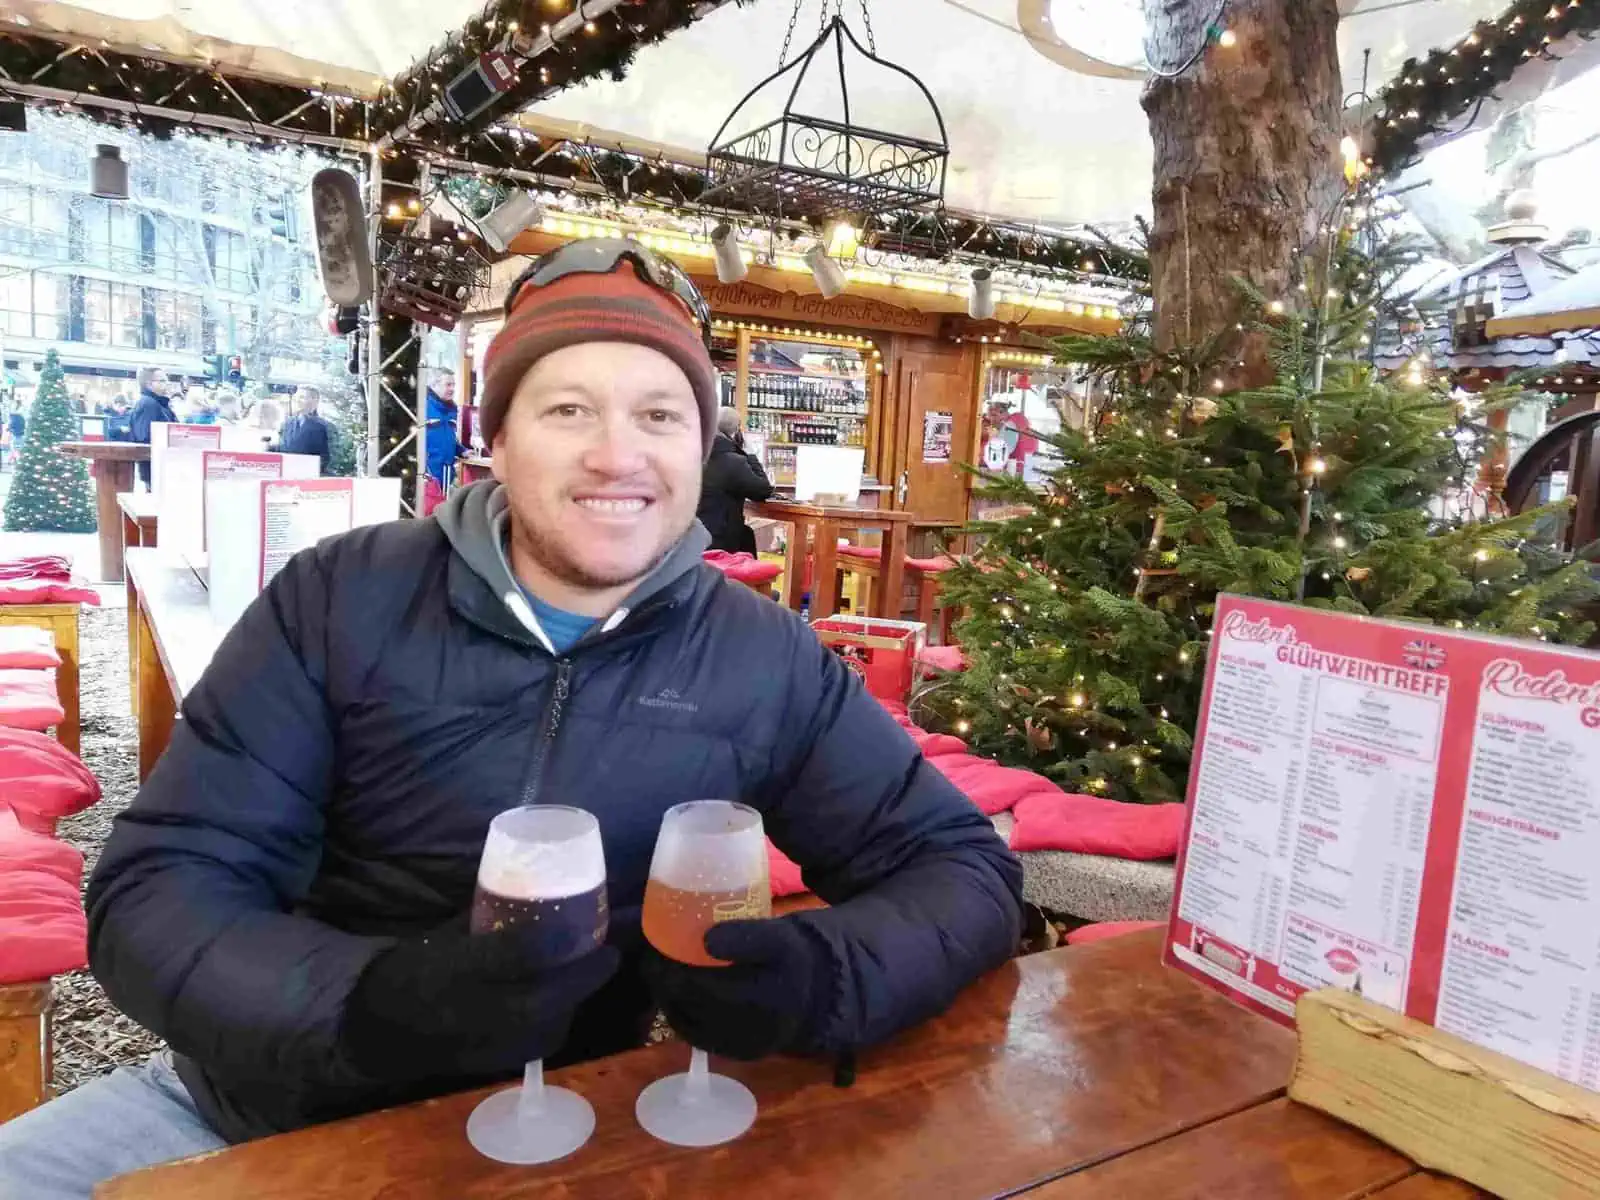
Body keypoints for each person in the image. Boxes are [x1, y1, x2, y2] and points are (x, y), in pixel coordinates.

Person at [0, 239, 1023, 1197]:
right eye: (568, 410)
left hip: (576, 1130)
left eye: (660, 416)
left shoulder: (761, 653)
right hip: (264, 1110)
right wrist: (372, 1004)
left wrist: (828, 975)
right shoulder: (339, 599)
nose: (617, 456)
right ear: (494, 438)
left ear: (701, 447)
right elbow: (157, 889)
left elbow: (961, 869)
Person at [698, 406, 774, 554]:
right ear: (736, 431)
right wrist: (751, 455)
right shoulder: (733, 462)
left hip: (693, 537)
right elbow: (762, 490)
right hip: (721, 541)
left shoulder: (694, 456)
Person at [128, 368, 176, 487]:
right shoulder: (149, 404)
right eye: (162, 381)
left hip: (159, 466)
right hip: (155, 467)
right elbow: (144, 436)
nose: (167, 384)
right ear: (149, 384)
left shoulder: (157, 403)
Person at [273, 386, 334, 473]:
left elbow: (329, 457)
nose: (297, 400)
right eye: (297, 397)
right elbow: (282, 448)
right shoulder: (287, 423)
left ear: (314, 401)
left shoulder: (325, 426)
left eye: (302, 397)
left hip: (310, 475)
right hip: (286, 472)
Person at [424, 368, 467, 488]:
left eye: (453, 385)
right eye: (448, 385)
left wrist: (462, 450)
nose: (452, 389)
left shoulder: (452, 409)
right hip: (428, 477)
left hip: (448, 476)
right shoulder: (422, 407)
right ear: (434, 385)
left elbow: (449, 437)